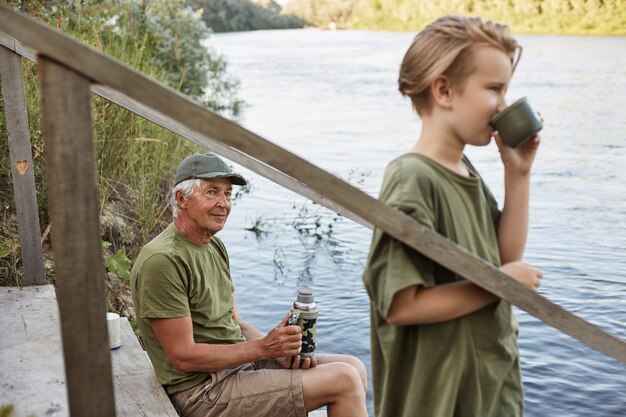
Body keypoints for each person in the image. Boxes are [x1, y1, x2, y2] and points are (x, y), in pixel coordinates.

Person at [362, 16, 544, 417]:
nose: (504, 105)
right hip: (436, 400)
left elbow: (504, 257)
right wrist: (497, 286)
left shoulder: (466, 170)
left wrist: (518, 174)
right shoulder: (412, 178)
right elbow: (401, 305)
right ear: (444, 90)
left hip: (488, 389)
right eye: (495, 89)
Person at [131, 153, 367, 417]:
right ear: (181, 199)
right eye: (211, 192)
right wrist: (264, 348)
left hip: (236, 369)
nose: (223, 204)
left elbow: (237, 325)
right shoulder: (163, 260)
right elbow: (184, 356)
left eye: (228, 194)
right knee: (343, 380)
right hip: (201, 391)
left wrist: (278, 350)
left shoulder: (214, 246)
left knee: (353, 366)